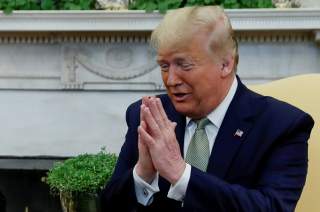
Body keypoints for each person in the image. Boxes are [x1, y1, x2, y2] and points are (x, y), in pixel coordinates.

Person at [101, 6, 314, 212]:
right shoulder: (149, 114)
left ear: (225, 65)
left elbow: (271, 207)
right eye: (164, 66)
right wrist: (143, 174)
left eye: (184, 65)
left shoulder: (281, 125)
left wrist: (181, 174)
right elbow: (110, 206)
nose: (171, 80)